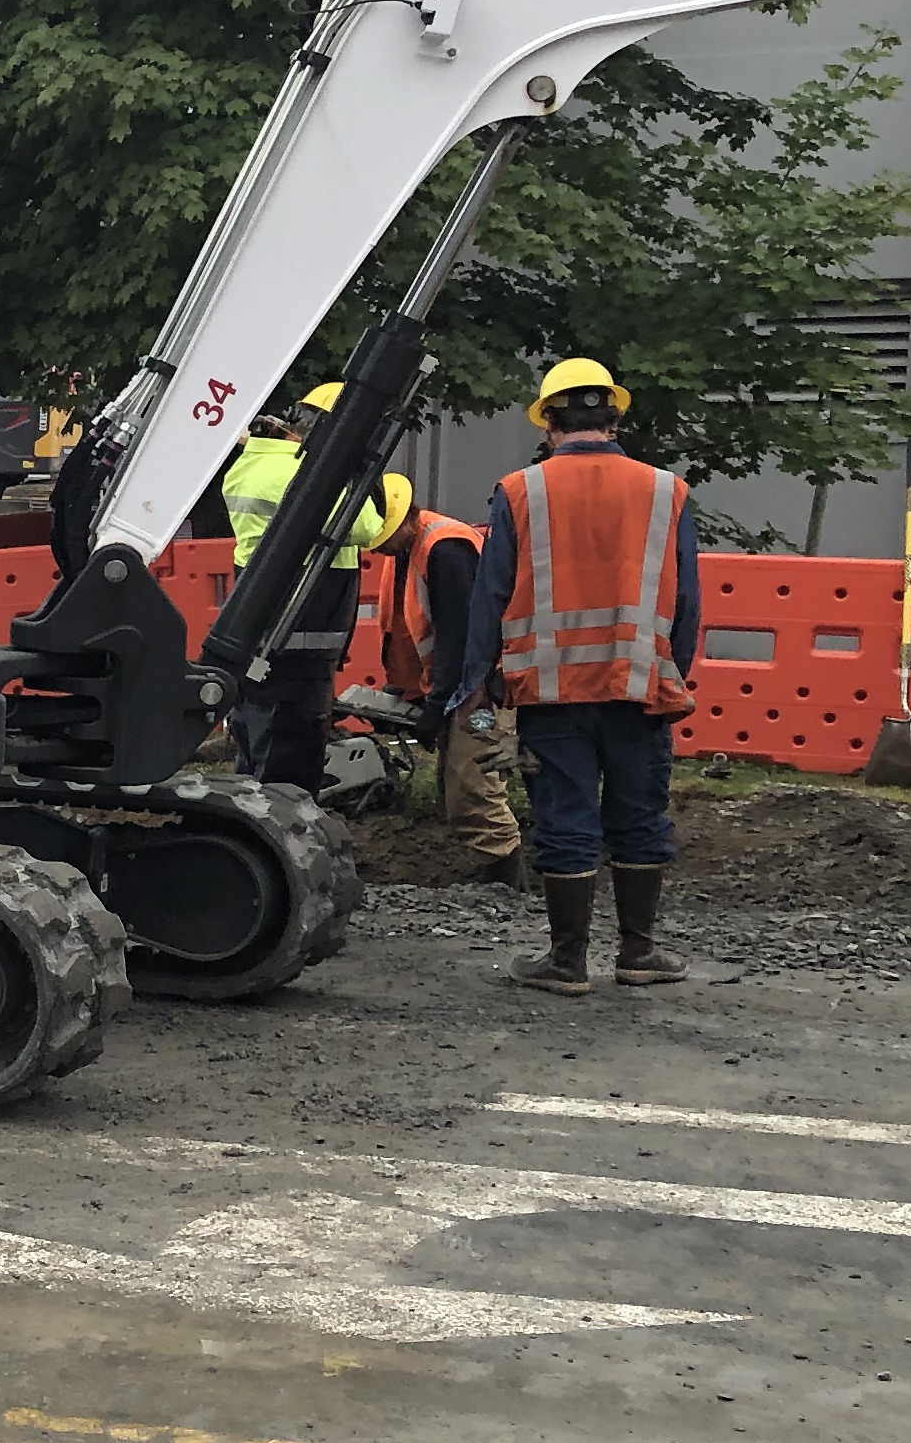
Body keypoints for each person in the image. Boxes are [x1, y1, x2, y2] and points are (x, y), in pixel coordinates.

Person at [449, 356, 700, 993]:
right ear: (614, 417)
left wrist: (478, 683)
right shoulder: (667, 490)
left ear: (549, 422)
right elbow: (689, 601)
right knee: (640, 814)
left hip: (552, 687)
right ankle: (638, 953)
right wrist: (675, 675)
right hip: (640, 685)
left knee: (564, 815)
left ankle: (567, 962)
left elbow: (491, 594)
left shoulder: (520, 490)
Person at [219, 382, 394, 792]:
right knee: (290, 744)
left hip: (259, 620)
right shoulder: (309, 474)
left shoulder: (248, 466)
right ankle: (283, 827)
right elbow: (369, 526)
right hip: (302, 623)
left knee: (257, 725)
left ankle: (251, 808)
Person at [369, 471, 519, 883]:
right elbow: (408, 629)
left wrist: (434, 708)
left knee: (474, 785)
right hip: (457, 687)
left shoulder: (445, 550)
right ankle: (500, 875)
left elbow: (462, 639)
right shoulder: (412, 548)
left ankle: (508, 882)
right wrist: (405, 692)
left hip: (480, 691)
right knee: (462, 783)